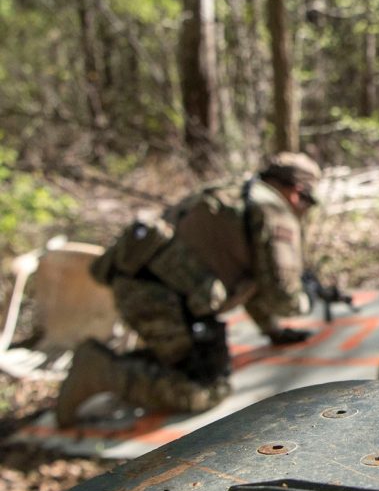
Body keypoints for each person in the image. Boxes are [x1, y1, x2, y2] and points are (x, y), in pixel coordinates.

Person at [56, 152, 323, 426]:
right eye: (308, 202)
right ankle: (101, 371)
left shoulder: (236, 191)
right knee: (206, 389)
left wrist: (272, 330)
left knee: (195, 359)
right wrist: (309, 299)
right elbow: (283, 298)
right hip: (164, 300)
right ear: (296, 193)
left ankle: (111, 364)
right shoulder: (274, 210)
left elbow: (250, 278)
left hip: (147, 287)